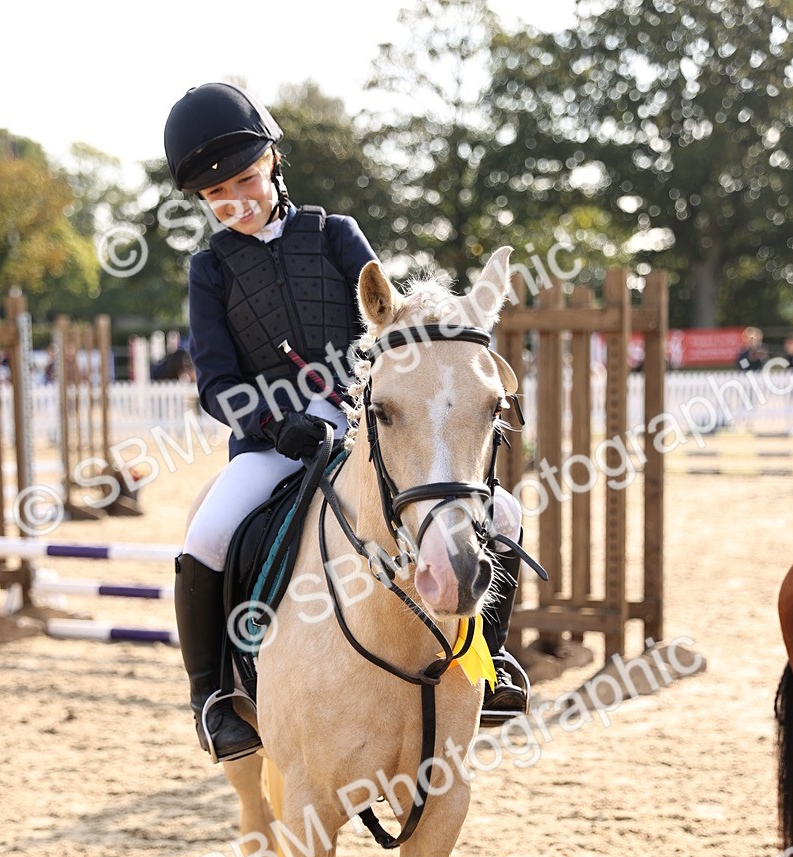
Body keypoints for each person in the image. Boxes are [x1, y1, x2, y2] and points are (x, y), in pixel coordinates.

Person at [164, 81, 528, 762]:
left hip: (367, 426)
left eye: (246, 178)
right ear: (202, 203)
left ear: (273, 162)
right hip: (272, 443)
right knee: (207, 535)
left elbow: (392, 322)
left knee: (501, 514)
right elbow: (216, 381)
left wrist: (358, 400)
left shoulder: (334, 235)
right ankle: (212, 696)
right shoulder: (209, 269)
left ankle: (492, 659)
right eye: (218, 196)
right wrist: (276, 426)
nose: (237, 200)